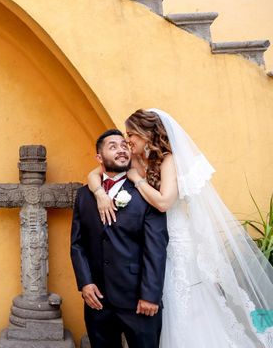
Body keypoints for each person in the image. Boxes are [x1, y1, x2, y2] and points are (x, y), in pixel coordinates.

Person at [87, 109, 273, 347]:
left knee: (183, 303)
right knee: (159, 302)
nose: (128, 139)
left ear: (147, 133)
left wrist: (137, 179)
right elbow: (94, 173)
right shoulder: (135, 158)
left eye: (132, 133)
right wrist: (100, 193)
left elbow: (164, 202)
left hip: (177, 242)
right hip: (151, 242)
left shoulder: (169, 160)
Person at [71, 129, 169, 348]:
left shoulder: (146, 193)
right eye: (112, 146)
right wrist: (85, 282)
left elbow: (156, 248)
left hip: (138, 300)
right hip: (97, 300)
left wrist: (151, 295)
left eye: (124, 145)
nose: (121, 150)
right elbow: (77, 244)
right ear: (99, 157)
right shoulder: (84, 195)